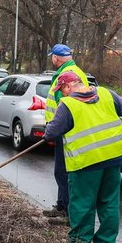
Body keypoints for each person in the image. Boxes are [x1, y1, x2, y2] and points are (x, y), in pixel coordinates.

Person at [42, 71, 122, 243]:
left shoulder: (68, 104)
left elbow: (51, 133)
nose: (62, 94)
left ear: (68, 86)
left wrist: (50, 128)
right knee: (109, 203)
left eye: (61, 90)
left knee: (82, 202)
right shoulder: (105, 93)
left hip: (86, 161)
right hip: (113, 156)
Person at [42, 43, 89, 220]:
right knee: (61, 170)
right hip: (63, 129)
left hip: (65, 130)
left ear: (55, 57)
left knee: (63, 171)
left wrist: (54, 129)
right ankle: (62, 205)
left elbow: (65, 105)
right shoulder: (74, 71)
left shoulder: (67, 75)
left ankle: (67, 211)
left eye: (52, 57)